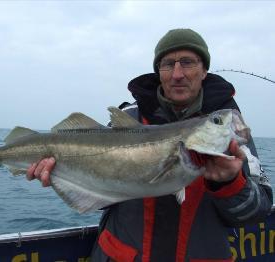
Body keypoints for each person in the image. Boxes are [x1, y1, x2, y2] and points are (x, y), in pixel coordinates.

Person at [27, 29, 273, 261]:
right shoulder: (128, 119)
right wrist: (63, 173)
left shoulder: (226, 128)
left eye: (188, 62)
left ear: (204, 70)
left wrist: (229, 184)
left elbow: (256, 213)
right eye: (168, 64)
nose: (178, 74)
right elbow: (102, 198)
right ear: (159, 71)